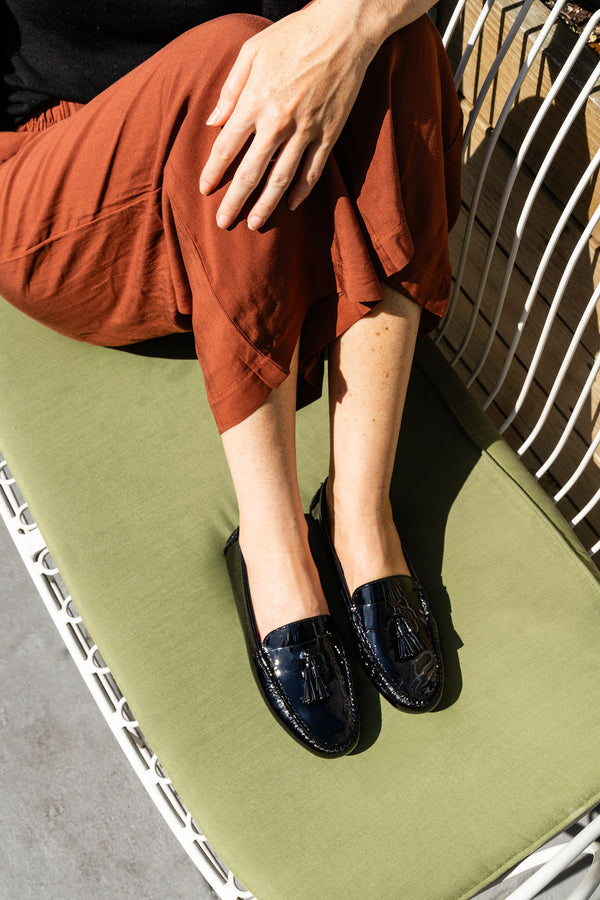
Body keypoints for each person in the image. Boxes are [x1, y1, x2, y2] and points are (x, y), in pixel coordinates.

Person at [0, 0, 462, 757]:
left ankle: (359, 513)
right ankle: (272, 544)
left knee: (391, 35)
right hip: (60, 165)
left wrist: (347, 28)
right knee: (234, 64)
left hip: (274, 112)